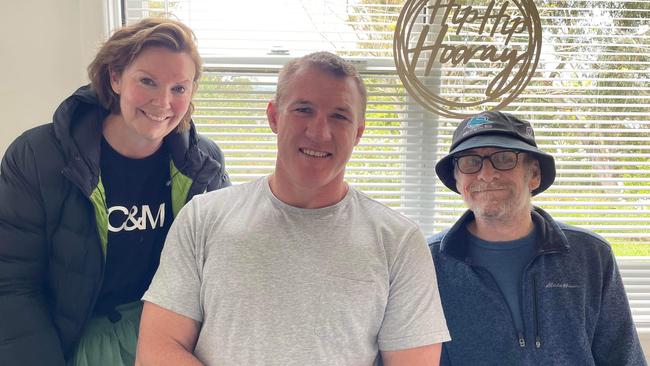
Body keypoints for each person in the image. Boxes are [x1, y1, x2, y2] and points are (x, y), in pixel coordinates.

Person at [136, 51, 450, 366]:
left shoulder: (398, 240)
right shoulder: (203, 217)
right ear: (274, 116)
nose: (319, 131)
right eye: (303, 109)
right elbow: (157, 350)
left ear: (358, 132)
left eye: (340, 116)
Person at [0, 18, 230, 366]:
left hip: (170, 336)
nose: (163, 101)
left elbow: (223, 269)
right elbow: (13, 283)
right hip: (71, 338)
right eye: (147, 81)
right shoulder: (37, 155)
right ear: (115, 78)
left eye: (179, 88)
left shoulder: (204, 162)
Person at [428, 111, 646, 365]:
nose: (486, 175)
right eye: (470, 162)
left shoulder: (590, 255)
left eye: (504, 158)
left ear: (534, 174)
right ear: (457, 179)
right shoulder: (428, 262)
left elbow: (622, 356)